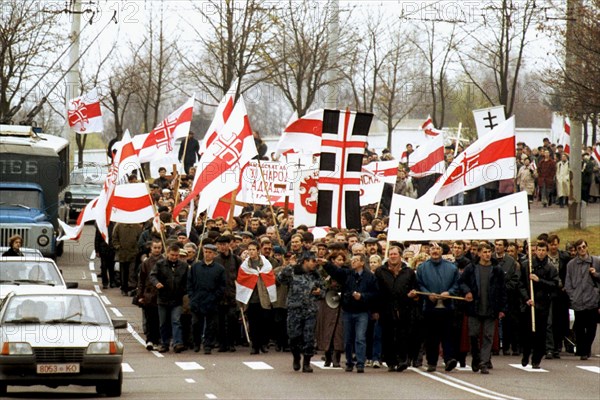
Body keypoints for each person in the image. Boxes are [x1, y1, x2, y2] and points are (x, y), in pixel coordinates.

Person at [322, 253, 378, 373]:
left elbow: (375, 294)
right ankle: (349, 362)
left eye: (356, 260)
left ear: (362, 262)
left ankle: (360, 363)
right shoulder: (347, 274)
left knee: (360, 338)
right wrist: (326, 264)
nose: (353, 262)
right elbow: (335, 272)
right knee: (347, 338)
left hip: (362, 312)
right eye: (352, 260)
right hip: (347, 310)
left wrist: (362, 296)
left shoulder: (370, 277)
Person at [459, 243, 507, 374]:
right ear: (479, 253)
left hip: (491, 308)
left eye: (489, 252)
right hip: (474, 307)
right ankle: (476, 357)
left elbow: (503, 289)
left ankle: (484, 362)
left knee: (488, 336)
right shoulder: (472, 268)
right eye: (484, 252)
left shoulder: (496, 269)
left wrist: (502, 308)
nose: (487, 254)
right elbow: (461, 282)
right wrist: (467, 291)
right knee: (473, 334)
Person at [416, 242, 460, 372]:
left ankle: (449, 359)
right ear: (429, 251)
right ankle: (432, 362)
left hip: (447, 307)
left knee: (448, 335)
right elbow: (419, 284)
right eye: (432, 249)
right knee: (431, 337)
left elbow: (457, 283)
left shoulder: (452, 268)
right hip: (430, 307)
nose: (435, 251)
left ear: (442, 251)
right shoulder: (422, 268)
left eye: (437, 249)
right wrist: (428, 294)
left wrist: (449, 293)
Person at [277, 253, 325, 372]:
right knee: (294, 336)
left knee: (309, 338)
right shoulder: (293, 271)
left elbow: (324, 289)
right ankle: (296, 357)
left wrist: (320, 292)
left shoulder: (315, 275)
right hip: (295, 309)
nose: (315, 263)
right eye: (312, 261)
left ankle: (307, 362)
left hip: (310, 309)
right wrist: (289, 266)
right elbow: (280, 279)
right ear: (305, 261)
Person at [374, 246, 418, 372]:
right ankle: (390, 361)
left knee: (403, 335)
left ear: (400, 256)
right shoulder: (380, 271)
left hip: (404, 308)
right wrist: (376, 310)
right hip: (386, 308)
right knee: (388, 336)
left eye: (395, 254)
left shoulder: (408, 271)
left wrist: (413, 295)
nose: (393, 256)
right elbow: (376, 291)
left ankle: (402, 360)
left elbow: (414, 288)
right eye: (391, 254)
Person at [519, 241, 559, 369]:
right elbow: (521, 284)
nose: (541, 253)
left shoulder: (551, 268)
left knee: (541, 333)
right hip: (529, 304)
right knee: (527, 332)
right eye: (539, 250)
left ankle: (536, 359)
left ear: (546, 252)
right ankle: (525, 354)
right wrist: (526, 298)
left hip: (542, 305)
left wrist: (539, 280)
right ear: (535, 251)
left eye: (543, 250)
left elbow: (554, 285)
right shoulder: (527, 266)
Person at [237, 241, 277, 354]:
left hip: (263, 297)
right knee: (253, 323)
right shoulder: (245, 266)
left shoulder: (266, 264)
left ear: (258, 251)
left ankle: (263, 344)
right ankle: (255, 345)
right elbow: (241, 280)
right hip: (251, 298)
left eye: (253, 249)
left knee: (264, 323)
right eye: (249, 249)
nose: (251, 252)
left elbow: (270, 278)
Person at [564, 239, 600, 360]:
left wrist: (596, 274)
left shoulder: (596, 261)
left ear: (587, 247)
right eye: (579, 248)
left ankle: (586, 348)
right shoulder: (571, 264)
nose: (582, 249)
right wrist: (573, 296)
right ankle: (583, 350)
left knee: (591, 328)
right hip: (578, 300)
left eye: (584, 247)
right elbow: (567, 283)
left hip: (592, 300)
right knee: (579, 328)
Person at [150, 244, 189, 353]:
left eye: (176, 255)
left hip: (177, 299)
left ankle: (177, 343)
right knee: (163, 323)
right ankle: (165, 343)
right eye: (172, 255)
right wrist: (156, 283)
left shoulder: (183, 266)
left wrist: (184, 290)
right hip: (163, 298)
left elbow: (187, 280)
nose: (174, 257)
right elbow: (152, 275)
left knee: (176, 321)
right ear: (167, 254)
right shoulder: (160, 264)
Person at [187, 244, 226, 354]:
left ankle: (208, 345)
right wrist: (192, 295)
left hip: (211, 301)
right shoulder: (195, 267)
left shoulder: (219, 269)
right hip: (197, 300)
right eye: (206, 252)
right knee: (195, 324)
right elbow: (189, 283)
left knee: (211, 325)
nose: (207, 254)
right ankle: (196, 343)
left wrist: (215, 297)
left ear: (214, 254)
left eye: (210, 252)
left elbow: (222, 286)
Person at [214, 235, 242, 352]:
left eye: (224, 244)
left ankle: (231, 342)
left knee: (232, 319)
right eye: (220, 245)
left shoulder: (236, 259)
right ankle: (222, 343)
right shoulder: (215, 260)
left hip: (232, 294)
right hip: (219, 295)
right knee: (219, 321)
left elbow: (240, 276)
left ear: (229, 245)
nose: (222, 247)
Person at [137, 239, 164, 351]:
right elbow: (141, 280)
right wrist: (140, 295)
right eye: (155, 248)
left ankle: (157, 340)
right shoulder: (146, 263)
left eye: (159, 248)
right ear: (151, 249)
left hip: (161, 294)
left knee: (159, 319)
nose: (157, 250)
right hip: (149, 294)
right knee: (149, 318)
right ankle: (150, 340)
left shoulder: (165, 261)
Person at [112, 222, 143, 296]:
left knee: (132, 271)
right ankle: (124, 288)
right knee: (124, 272)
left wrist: (137, 249)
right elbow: (114, 237)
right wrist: (118, 246)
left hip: (133, 253)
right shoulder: (118, 225)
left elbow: (140, 239)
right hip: (123, 253)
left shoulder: (137, 226)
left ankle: (131, 287)